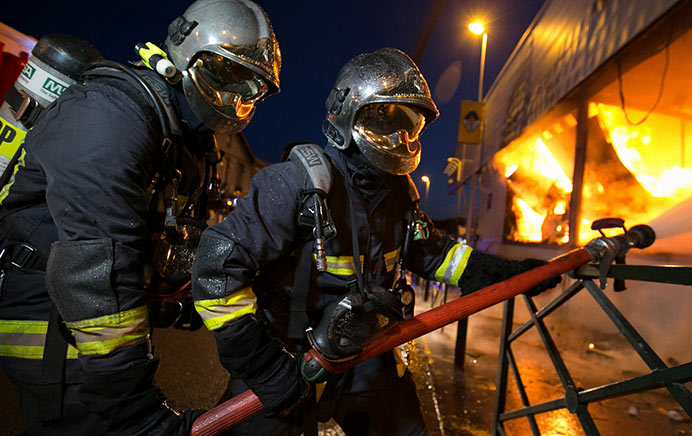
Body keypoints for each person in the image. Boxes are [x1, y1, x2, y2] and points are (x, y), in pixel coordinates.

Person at [191, 48, 561, 436]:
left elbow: (438, 256)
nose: (399, 139)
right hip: (287, 355)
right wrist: (263, 366)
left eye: (409, 126)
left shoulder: (399, 197)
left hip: (364, 351)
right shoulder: (295, 185)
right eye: (385, 121)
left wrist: (516, 274)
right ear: (347, 114)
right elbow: (216, 267)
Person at [0, 1, 281, 435]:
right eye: (227, 76)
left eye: (252, 89)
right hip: (54, 325)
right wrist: (131, 408)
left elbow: (168, 242)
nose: (238, 99)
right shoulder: (112, 113)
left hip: (87, 327)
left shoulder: (184, 137)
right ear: (186, 53)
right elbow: (93, 271)